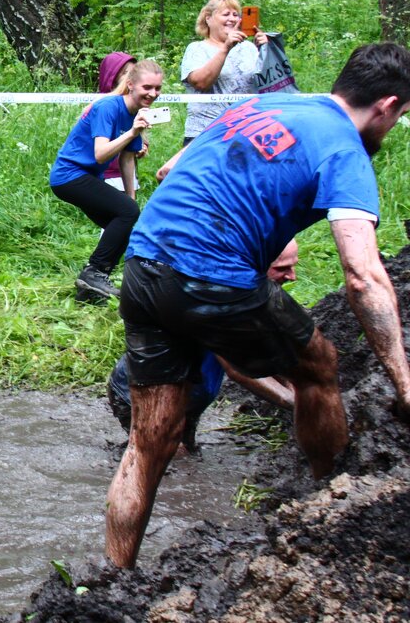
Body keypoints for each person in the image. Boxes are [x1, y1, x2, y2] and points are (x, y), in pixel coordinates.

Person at [105, 43, 410, 569]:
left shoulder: (270, 107)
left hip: (144, 264)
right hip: (212, 273)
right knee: (320, 366)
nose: (393, 127)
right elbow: (363, 278)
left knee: (148, 442)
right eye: (400, 116)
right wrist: (404, 383)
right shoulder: (345, 150)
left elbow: (175, 166)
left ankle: (112, 577)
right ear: (385, 105)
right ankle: (330, 508)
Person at [107, 241, 300, 452]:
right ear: (256, 265)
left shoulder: (256, 297)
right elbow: (236, 368)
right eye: (283, 268)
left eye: (292, 266)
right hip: (141, 392)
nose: (292, 276)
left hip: (189, 397)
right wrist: (293, 402)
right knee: (166, 459)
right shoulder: (218, 298)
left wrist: (299, 390)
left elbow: (274, 355)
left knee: (182, 455)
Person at [49, 60, 163, 303]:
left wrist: (130, 197)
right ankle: (95, 272)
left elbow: (128, 158)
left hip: (87, 176)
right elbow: (101, 153)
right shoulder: (108, 107)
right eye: (147, 87)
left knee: (123, 222)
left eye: (158, 88)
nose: (153, 94)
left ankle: (91, 290)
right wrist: (132, 132)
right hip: (69, 176)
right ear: (130, 85)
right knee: (126, 213)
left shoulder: (134, 114)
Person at [155, 0, 271, 181]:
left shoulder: (250, 49)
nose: (232, 19)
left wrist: (267, 51)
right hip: (205, 132)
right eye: (226, 14)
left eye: (236, 14)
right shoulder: (197, 48)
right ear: (208, 19)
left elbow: (269, 85)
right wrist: (225, 49)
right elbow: (200, 82)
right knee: (198, 187)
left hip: (244, 133)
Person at [94, 52, 146, 192]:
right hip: (105, 173)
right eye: (124, 73)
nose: (129, 77)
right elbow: (99, 148)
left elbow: (133, 137)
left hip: (126, 171)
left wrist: (141, 147)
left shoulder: (133, 105)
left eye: (133, 72)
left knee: (129, 211)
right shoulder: (104, 106)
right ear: (111, 76)